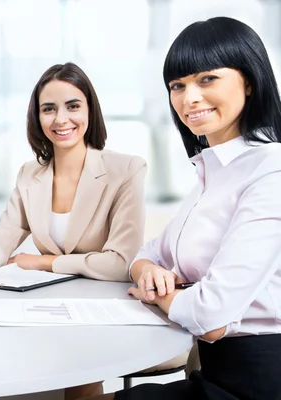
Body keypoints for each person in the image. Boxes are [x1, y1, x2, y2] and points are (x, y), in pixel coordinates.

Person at [93, 17, 281, 400]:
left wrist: (154, 294)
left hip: (260, 381)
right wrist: (150, 273)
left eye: (207, 79)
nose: (188, 97)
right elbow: (146, 255)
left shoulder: (271, 170)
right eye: (177, 85)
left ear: (248, 80)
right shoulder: (211, 173)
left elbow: (210, 317)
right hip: (216, 371)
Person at [0, 62, 147, 397]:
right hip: (50, 305)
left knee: (69, 370)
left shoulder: (125, 169)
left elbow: (120, 262)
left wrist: (44, 262)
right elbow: (4, 234)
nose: (61, 119)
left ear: (90, 111)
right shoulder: (29, 173)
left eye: (73, 106)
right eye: (48, 109)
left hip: (102, 307)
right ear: (37, 117)